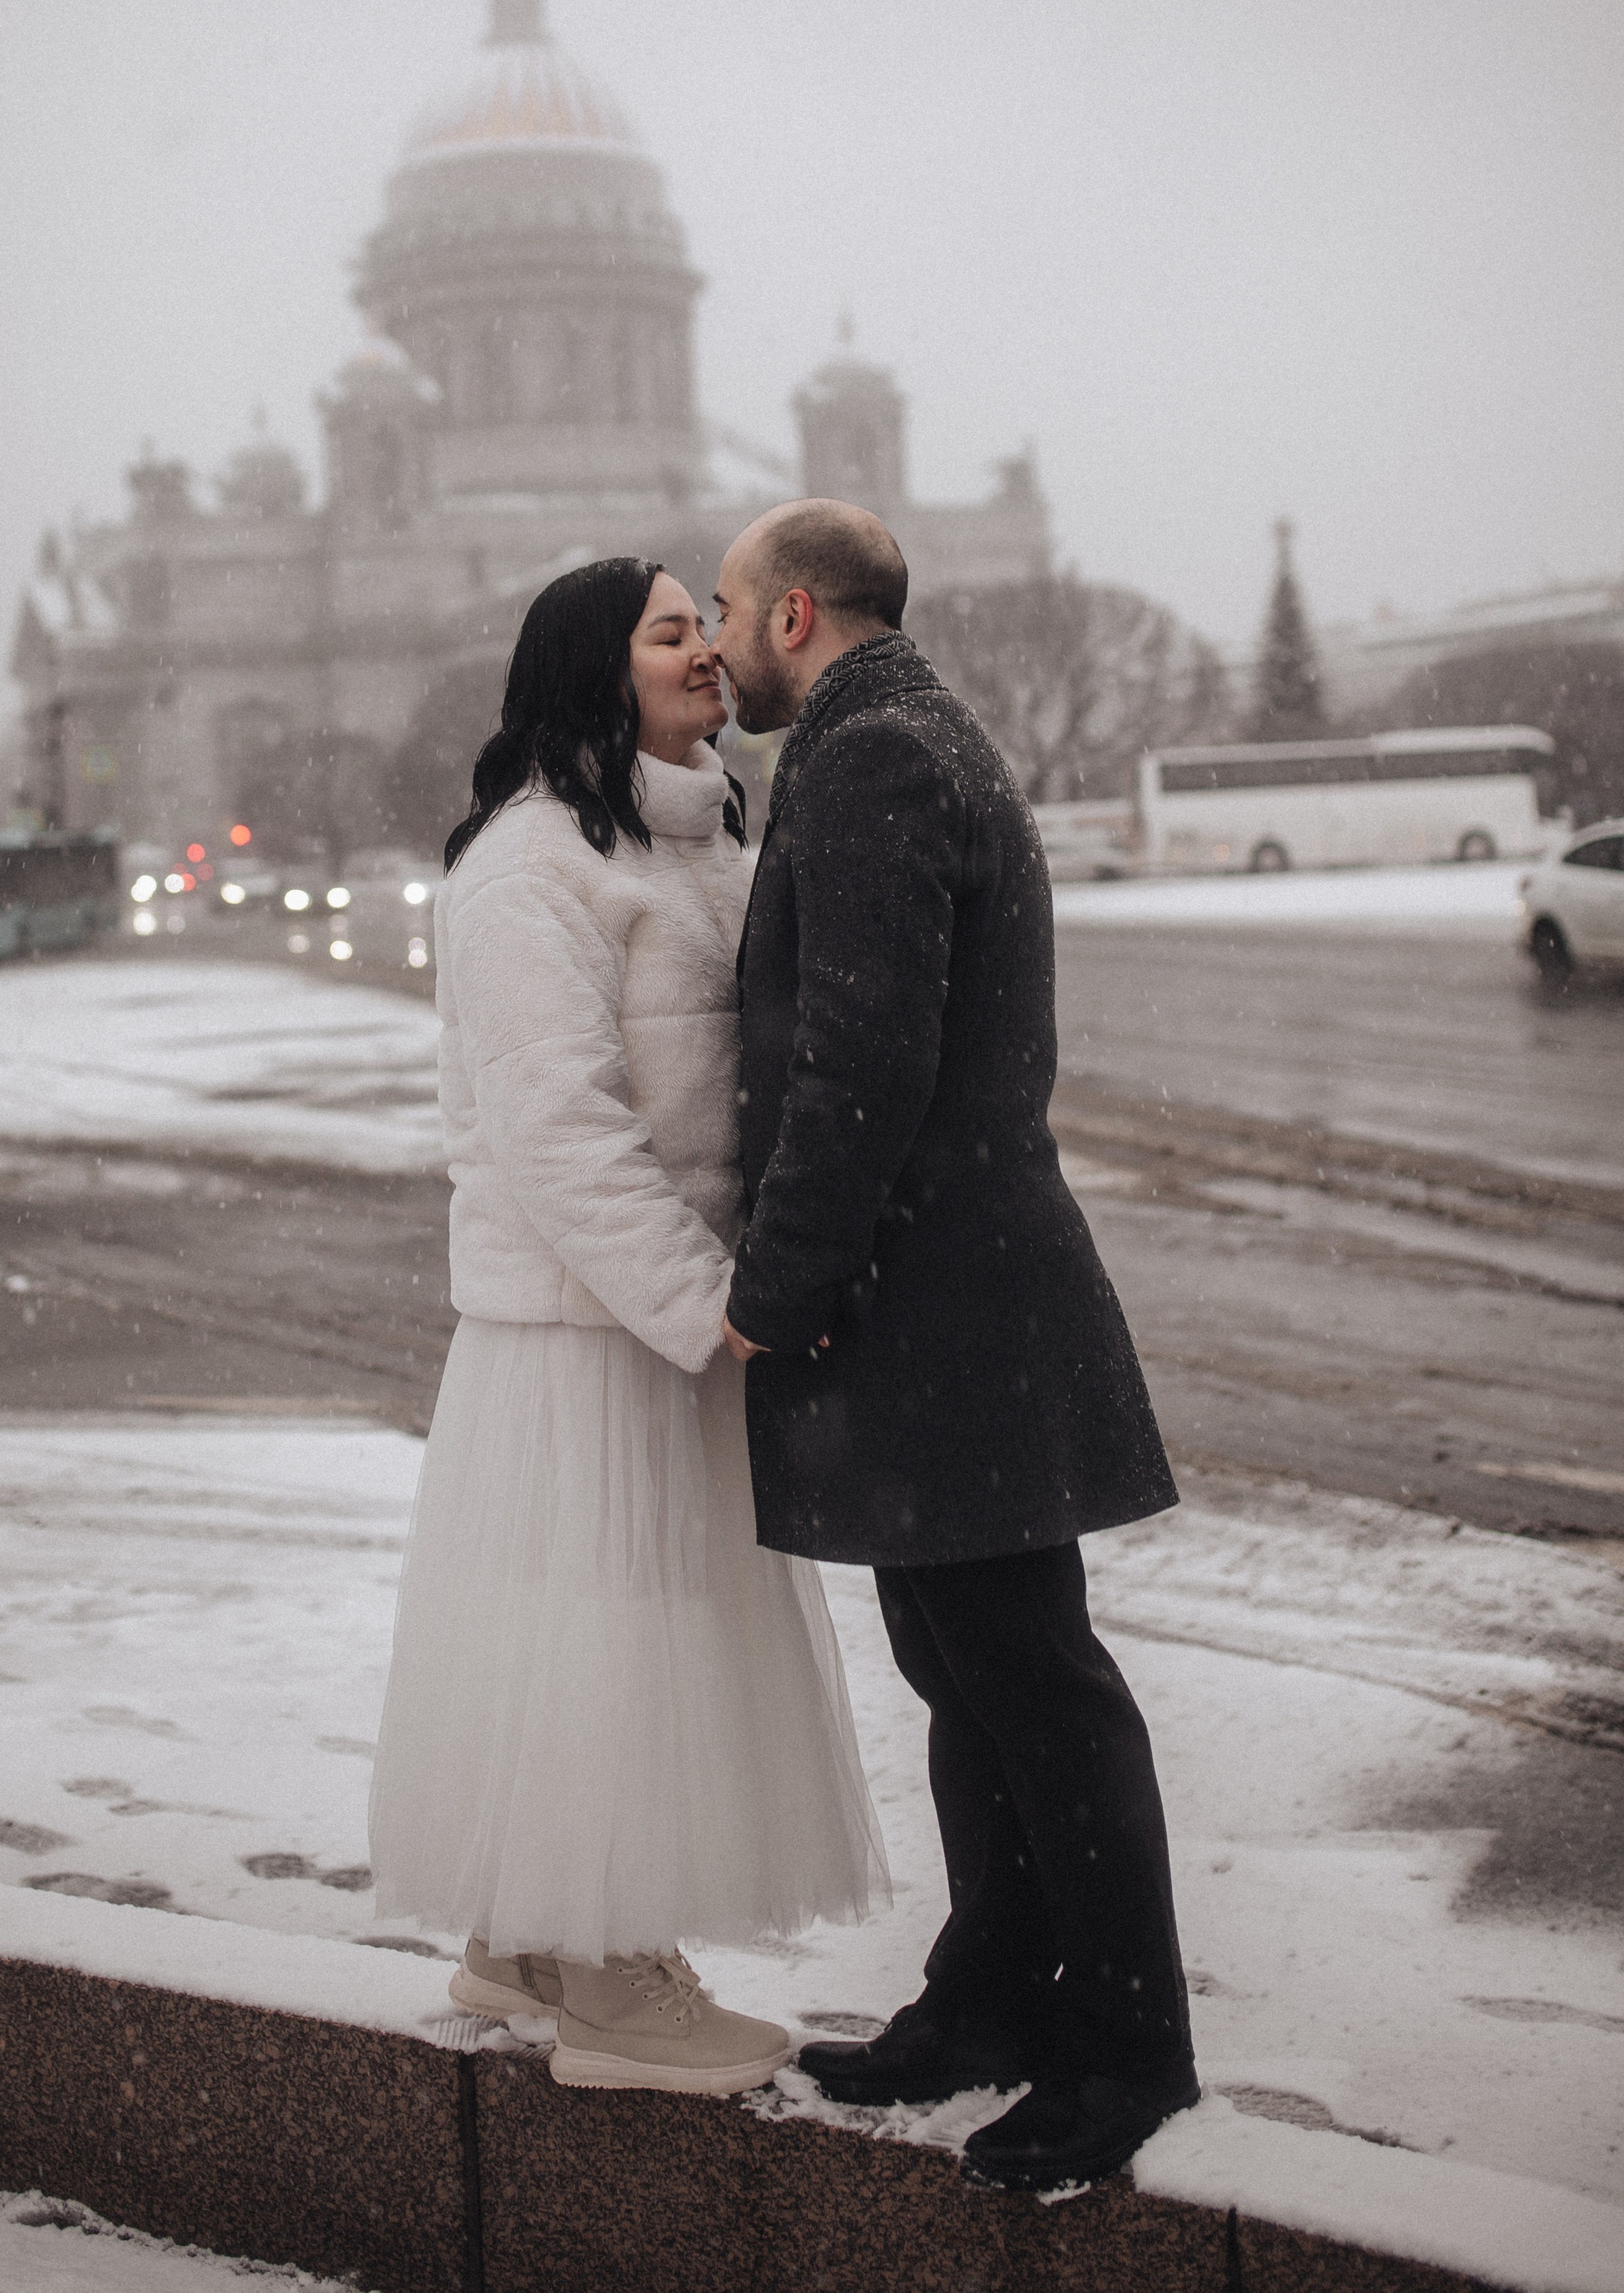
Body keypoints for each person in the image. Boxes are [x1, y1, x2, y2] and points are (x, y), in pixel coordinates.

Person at [710, 499, 1199, 2191]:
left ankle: (1125, 2055)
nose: (710, 642)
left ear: (791, 614)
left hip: (944, 1306)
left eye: (722, 607)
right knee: (966, 1674)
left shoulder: (868, 763)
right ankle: (990, 1994)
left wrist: (772, 1283)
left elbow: (860, 1060)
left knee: (1035, 1690)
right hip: (953, 1296)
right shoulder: (912, 736)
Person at [368, 556, 887, 2097]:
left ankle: (527, 1944)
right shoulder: (532, 864)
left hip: (657, 1320)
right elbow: (555, 1129)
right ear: (593, 669)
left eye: (703, 625)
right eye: (669, 632)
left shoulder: (693, 837)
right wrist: (701, 1302)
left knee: (604, 1632)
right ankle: (608, 1989)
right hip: (593, 1336)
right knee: (605, 1640)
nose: (707, 652)